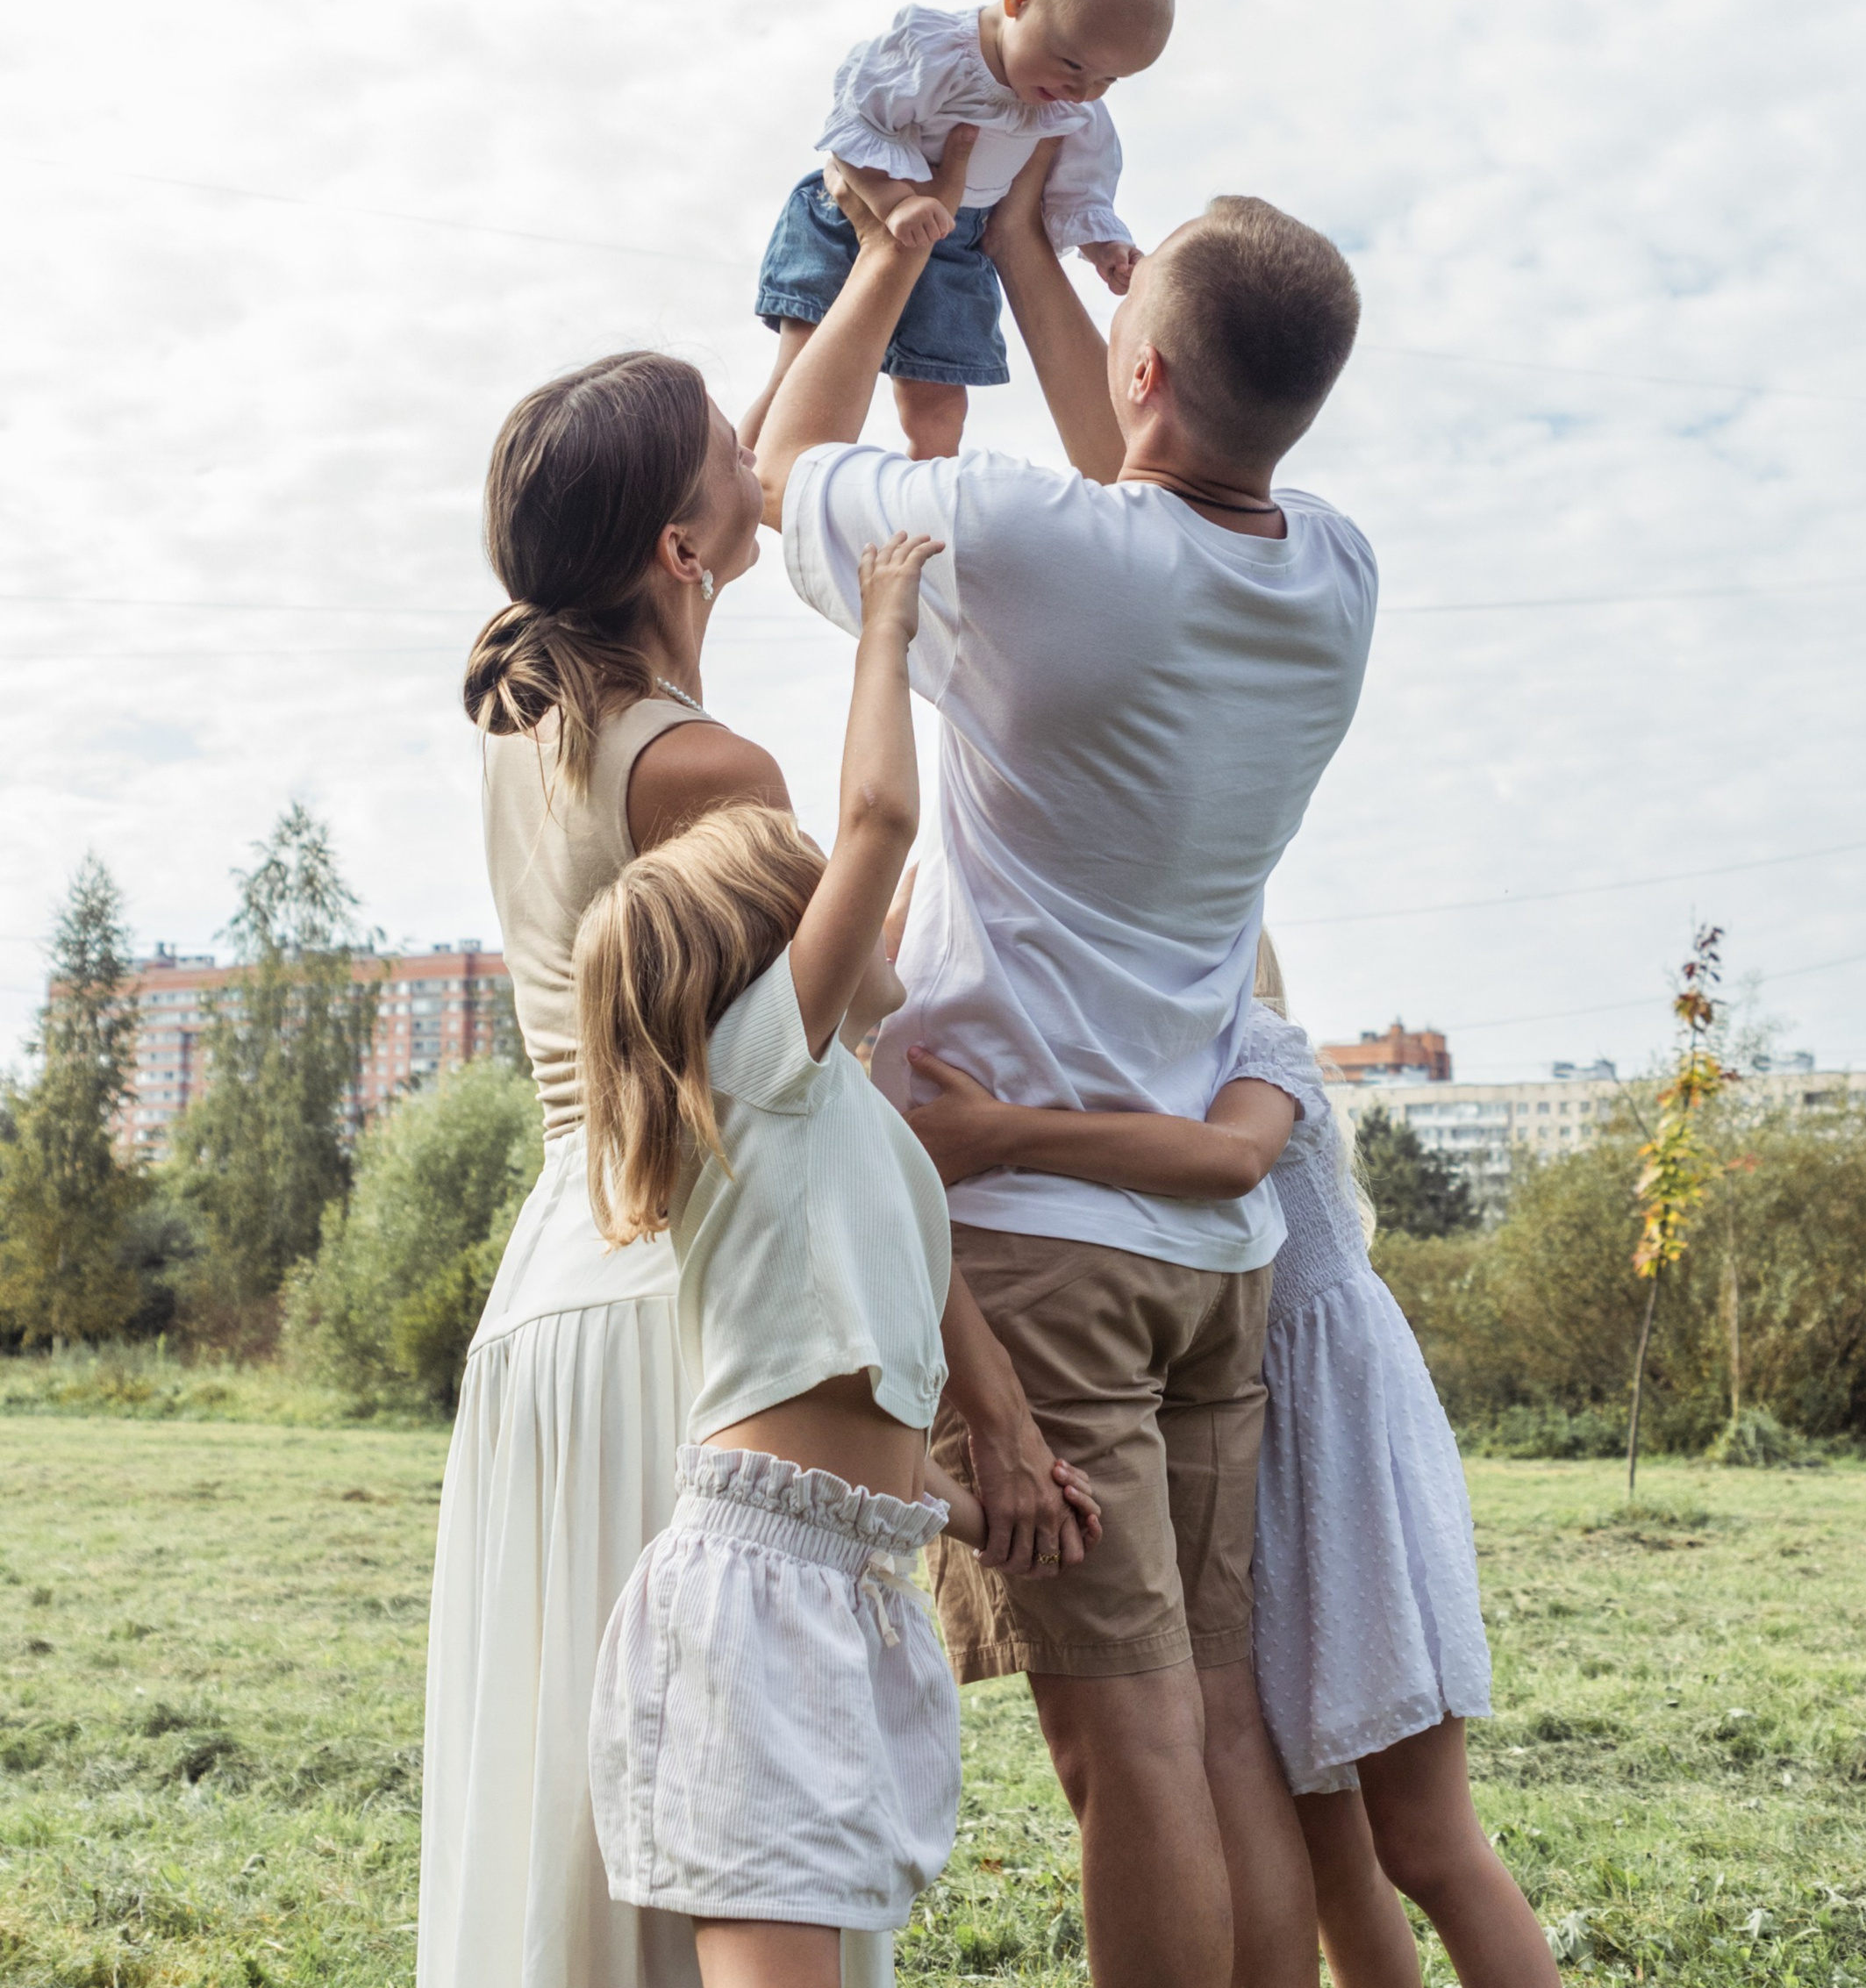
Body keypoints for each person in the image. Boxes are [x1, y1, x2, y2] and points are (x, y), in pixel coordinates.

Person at [752, 144, 1376, 1988]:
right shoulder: (1335, 572)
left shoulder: (1035, 544)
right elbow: (1151, 473)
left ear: (1147, 376)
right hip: (1211, 1264)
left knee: (1121, 1755)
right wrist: (1049, 249)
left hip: (1038, 1246)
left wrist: (910, 256)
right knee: (1213, 1723)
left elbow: (783, 467)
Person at [422, 287, 1081, 1988]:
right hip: (690, 1307)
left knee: (580, 1802)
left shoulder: (522, 722)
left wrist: (882, 257)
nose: (760, 445)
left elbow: (749, 434)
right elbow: (855, 1051)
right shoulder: (714, 769)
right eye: (732, 445)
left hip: (554, 1281)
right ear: (678, 542)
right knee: (741, 1814)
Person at [571, 530, 1100, 1988]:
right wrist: (884, 625)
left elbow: (849, 1397)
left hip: (843, 1582)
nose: (875, 897)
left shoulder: (851, 1127)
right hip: (756, 1606)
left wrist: (962, 1495)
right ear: (769, 958)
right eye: (827, 892)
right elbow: (876, 812)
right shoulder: (763, 1068)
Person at [900, 936, 1564, 1988]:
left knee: (1424, 1839)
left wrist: (999, 1133)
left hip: (1339, 1464)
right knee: (1322, 1837)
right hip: (1254, 1468)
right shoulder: (1145, 1069)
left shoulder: (1258, 1044)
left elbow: (1229, 1159)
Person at [741, 0, 1172, 464]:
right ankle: (728, 504)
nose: (1083, 92)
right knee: (799, 378)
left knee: (940, 412)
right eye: (1073, 65)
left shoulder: (1073, 110)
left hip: (959, 248)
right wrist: (894, 202)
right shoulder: (935, 51)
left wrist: (1104, 246)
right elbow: (851, 129)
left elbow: (1076, 190)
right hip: (855, 219)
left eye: (1108, 81)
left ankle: (921, 525)